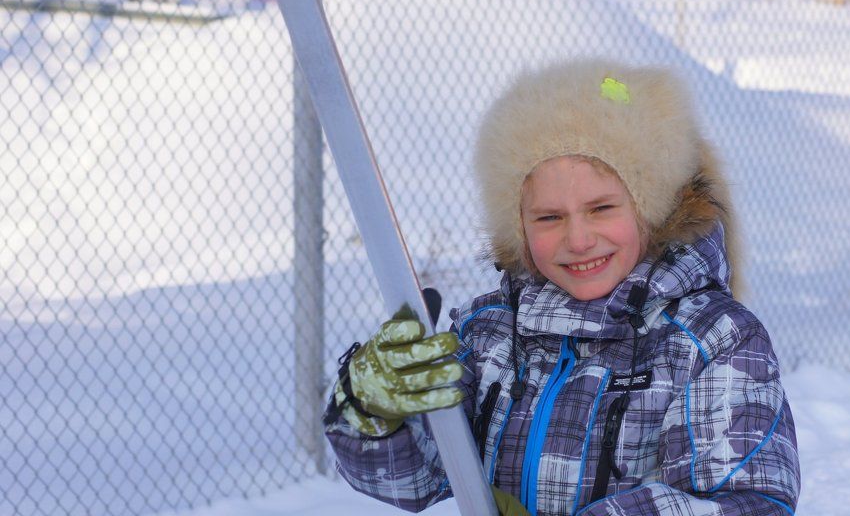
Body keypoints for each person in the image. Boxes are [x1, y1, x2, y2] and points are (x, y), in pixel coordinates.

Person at [323, 59, 801, 515]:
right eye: (549, 217)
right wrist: (370, 409)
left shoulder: (712, 341)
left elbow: (748, 501)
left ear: (651, 210)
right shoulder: (490, 335)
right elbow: (417, 477)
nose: (577, 239)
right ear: (519, 231)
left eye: (602, 209)